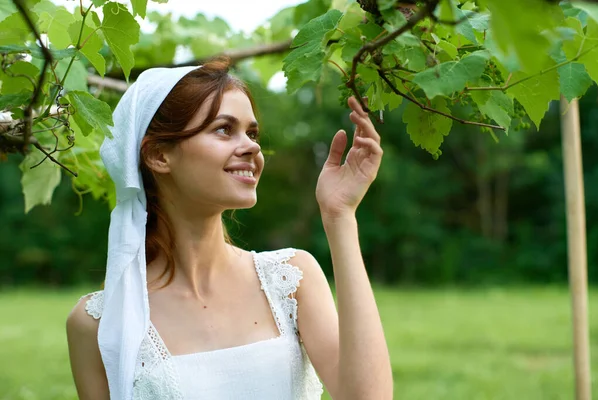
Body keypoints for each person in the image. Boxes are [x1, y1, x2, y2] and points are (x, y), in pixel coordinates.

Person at [66, 58, 392, 399]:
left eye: (252, 133)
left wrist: (339, 216)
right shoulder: (98, 324)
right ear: (159, 155)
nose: (252, 146)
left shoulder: (292, 280)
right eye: (224, 129)